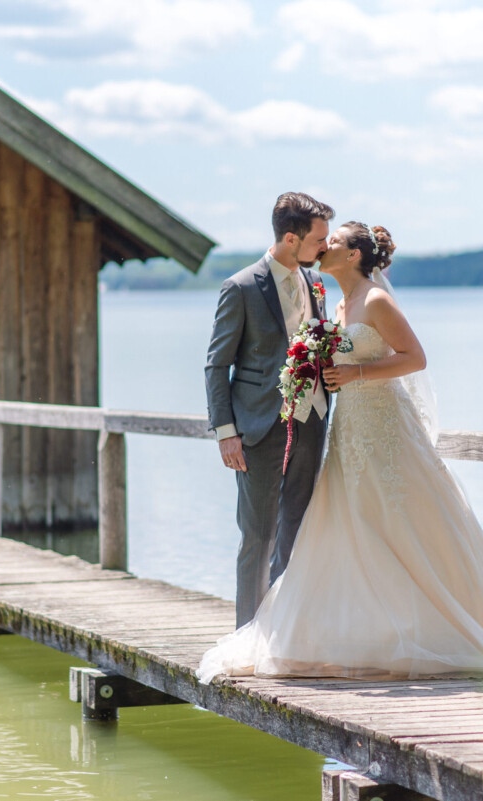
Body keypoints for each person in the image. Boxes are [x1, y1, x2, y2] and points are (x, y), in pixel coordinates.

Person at [198, 222, 483, 682]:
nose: (323, 247)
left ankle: (435, 631)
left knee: (398, 520)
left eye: (333, 242)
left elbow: (415, 357)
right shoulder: (337, 300)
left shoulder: (375, 300)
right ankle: (362, 633)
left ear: (352, 256)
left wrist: (358, 375)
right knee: (346, 525)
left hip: (385, 425)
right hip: (348, 428)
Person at [204, 192, 335, 627]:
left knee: (296, 532)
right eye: (320, 239)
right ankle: (246, 634)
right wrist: (226, 431)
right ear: (291, 238)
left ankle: (283, 632)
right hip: (258, 427)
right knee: (258, 536)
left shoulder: (315, 284)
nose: (326, 247)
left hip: (312, 421)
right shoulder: (241, 287)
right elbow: (217, 364)